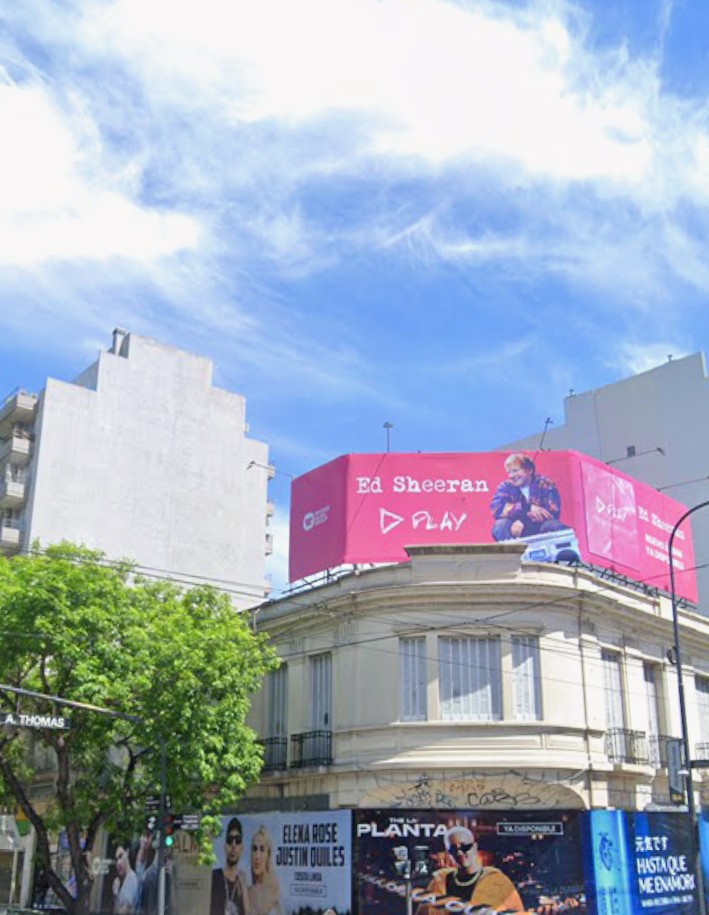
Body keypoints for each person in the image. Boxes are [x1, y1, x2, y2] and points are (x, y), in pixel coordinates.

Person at [417, 826, 524, 914]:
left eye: (465, 847)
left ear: (475, 847)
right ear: (449, 853)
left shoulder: (498, 882)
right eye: (453, 849)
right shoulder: (437, 883)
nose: (459, 853)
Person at [490, 454, 568, 541]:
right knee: (500, 526)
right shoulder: (506, 486)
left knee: (555, 526)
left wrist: (524, 521)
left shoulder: (546, 484)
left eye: (515, 471)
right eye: (509, 472)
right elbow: (496, 508)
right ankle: (511, 549)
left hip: (538, 527)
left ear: (529, 470)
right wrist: (527, 507)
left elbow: (553, 511)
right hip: (515, 529)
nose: (511, 475)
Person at [211, 817, 250, 915]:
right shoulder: (214, 877)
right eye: (230, 840)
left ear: (242, 848)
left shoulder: (242, 884)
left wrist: (244, 889)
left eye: (237, 841)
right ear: (225, 847)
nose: (233, 845)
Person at [248, 826, 281, 915]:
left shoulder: (273, 891)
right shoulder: (247, 892)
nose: (257, 856)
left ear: (268, 855)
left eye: (262, 849)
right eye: (254, 849)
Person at [113, 843, 140, 915]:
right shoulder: (124, 880)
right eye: (116, 860)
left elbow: (123, 912)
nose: (118, 863)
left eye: (120, 856)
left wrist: (116, 893)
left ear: (127, 852)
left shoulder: (131, 878)